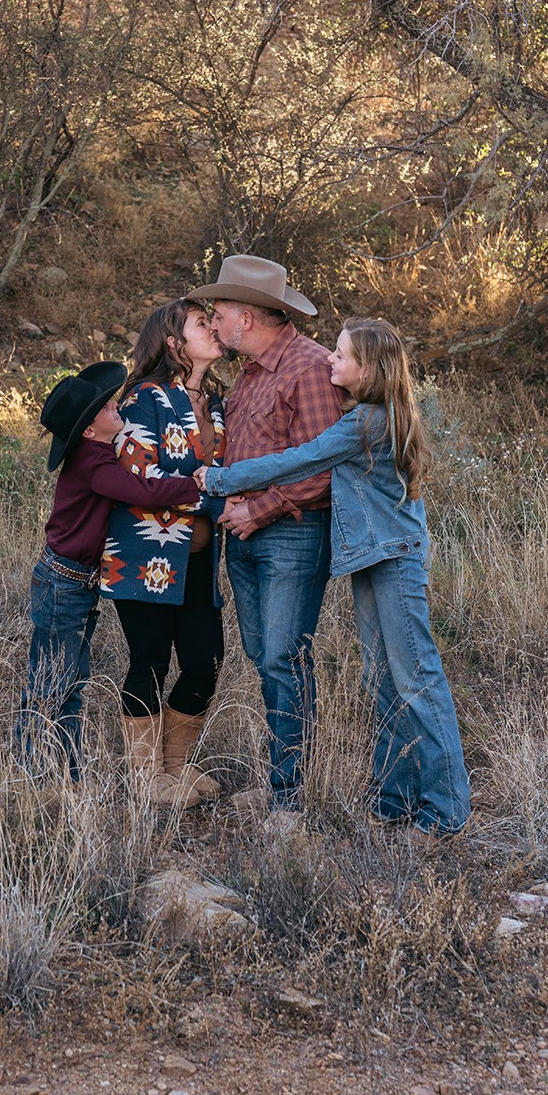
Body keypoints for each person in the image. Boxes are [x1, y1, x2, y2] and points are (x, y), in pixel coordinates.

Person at [200, 318, 470, 838]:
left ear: (366, 370)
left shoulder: (367, 423)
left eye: (340, 356)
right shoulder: (368, 415)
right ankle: (393, 800)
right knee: (382, 680)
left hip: (394, 559)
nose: (330, 361)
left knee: (417, 677)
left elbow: (297, 461)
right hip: (369, 560)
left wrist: (219, 479)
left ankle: (446, 809)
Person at [186, 255, 346, 818]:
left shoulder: (310, 367)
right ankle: (285, 776)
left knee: (283, 657)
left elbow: (325, 468)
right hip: (245, 536)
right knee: (263, 654)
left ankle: (290, 798)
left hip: (291, 536)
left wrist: (260, 508)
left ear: (246, 318)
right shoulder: (252, 374)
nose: (215, 321)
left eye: (221, 311)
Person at [21, 361, 203, 776]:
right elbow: (141, 490)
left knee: (71, 678)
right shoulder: (94, 463)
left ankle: (64, 770)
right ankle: (35, 771)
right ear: (88, 430)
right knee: (51, 680)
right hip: (63, 581)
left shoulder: (101, 452)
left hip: (76, 582)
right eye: (106, 408)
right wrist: (196, 484)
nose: (116, 405)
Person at [98, 300, 228, 809]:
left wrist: (221, 489)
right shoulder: (143, 398)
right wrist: (215, 492)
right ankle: (146, 777)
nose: (214, 329)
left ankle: (174, 767)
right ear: (174, 343)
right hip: (144, 556)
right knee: (149, 662)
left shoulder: (216, 402)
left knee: (205, 661)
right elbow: (136, 478)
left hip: (197, 561)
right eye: (202, 324)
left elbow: (230, 470)